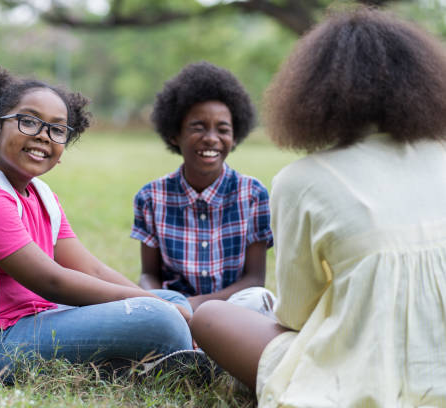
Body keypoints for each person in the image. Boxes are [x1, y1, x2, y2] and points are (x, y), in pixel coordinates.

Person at [190, 7, 446, 407]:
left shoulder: (302, 179)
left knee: (212, 317)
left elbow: (295, 315)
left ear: (312, 92)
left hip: (357, 379)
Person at [0, 66, 194, 382]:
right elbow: (52, 281)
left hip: (37, 321)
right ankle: (175, 368)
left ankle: (139, 365)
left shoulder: (42, 196)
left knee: (172, 301)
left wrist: (154, 302)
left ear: (61, 152)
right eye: (29, 121)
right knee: (160, 318)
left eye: (57, 129)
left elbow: (93, 270)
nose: (43, 134)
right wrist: (151, 307)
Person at [131, 61, 274, 312]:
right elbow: (148, 275)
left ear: (235, 135)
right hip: (174, 312)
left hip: (232, 308)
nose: (211, 138)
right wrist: (162, 304)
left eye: (223, 129)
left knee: (259, 299)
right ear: (175, 134)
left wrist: (194, 305)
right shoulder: (151, 197)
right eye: (198, 127)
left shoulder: (253, 195)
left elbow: (254, 280)